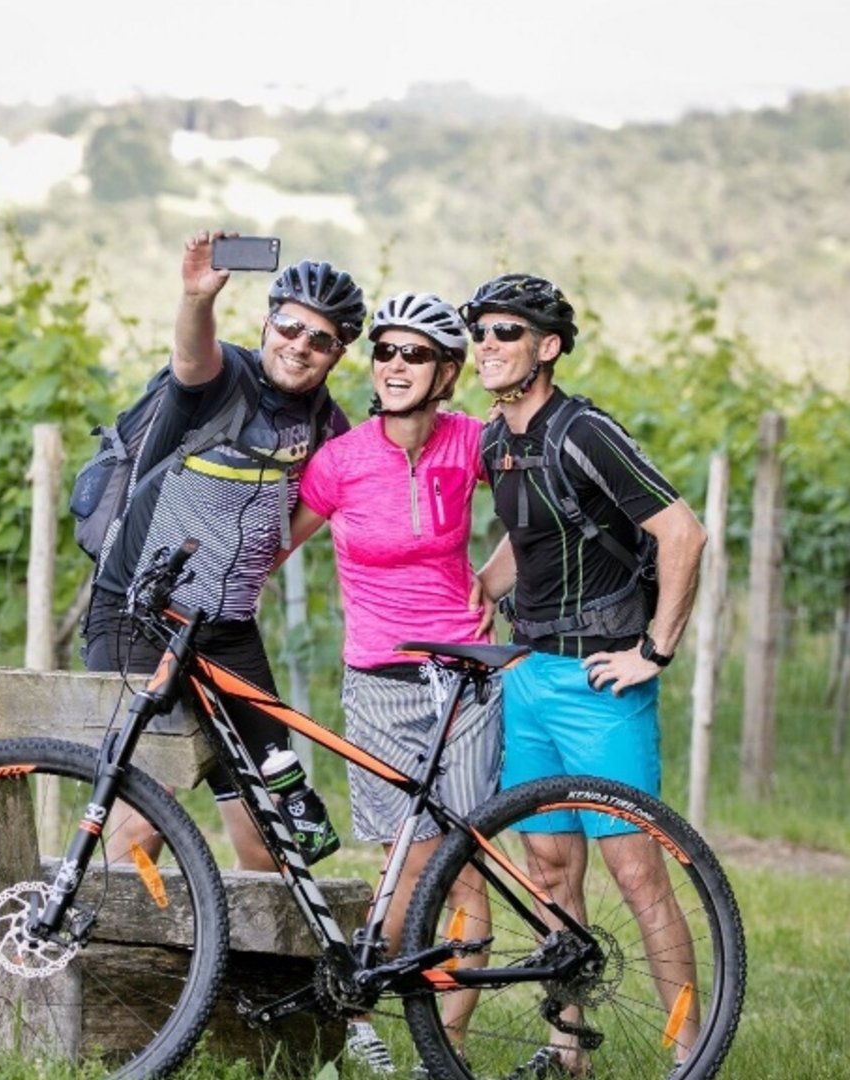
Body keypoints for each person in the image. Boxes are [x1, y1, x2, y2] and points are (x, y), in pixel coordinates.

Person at [464, 273, 708, 1075]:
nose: (488, 346)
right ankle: (566, 1048)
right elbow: (529, 534)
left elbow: (683, 533)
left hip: (603, 684)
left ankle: (686, 1053)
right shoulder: (496, 439)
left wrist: (655, 651)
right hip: (528, 676)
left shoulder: (584, 431)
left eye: (507, 332)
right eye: (481, 332)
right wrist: (484, 587)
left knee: (637, 874)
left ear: (549, 347)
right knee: (548, 868)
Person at [83, 230, 365, 872]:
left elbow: (310, 511)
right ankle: (126, 964)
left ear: (338, 353)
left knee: (273, 829)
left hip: (228, 629)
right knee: (142, 815)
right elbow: (191, 357)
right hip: (138, 614)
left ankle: (247, 971)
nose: (300, 346)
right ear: (268, 323)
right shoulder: (223, 377)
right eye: (291, 327)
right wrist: (196, 299)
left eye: (320, 339)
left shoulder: (326, 423)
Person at [288, 291, 501, 1073]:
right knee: (403, 865)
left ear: (447, 371)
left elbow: (541, 510)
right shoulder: (340, 462)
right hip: (377, 680)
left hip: (463, 678)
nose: (395, 365)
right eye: (385, 351)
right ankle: (365, 1016)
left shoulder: (474, 443)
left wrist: (496, 576)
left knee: (464, 862)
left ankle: (445, 1049)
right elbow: (273, 547)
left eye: (415, 354)